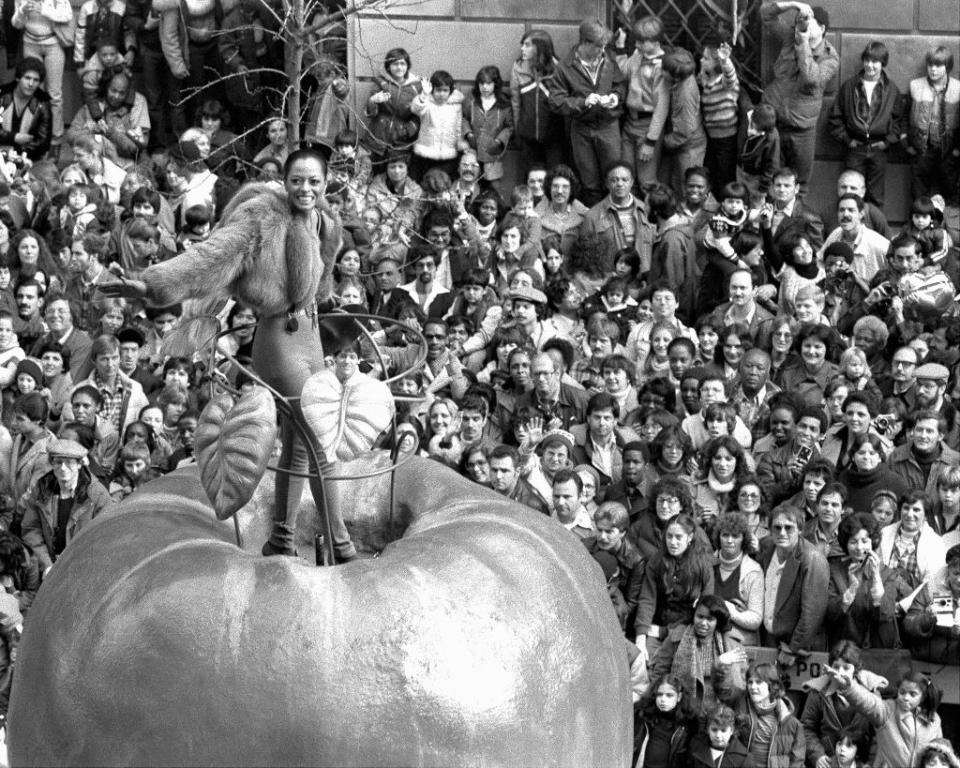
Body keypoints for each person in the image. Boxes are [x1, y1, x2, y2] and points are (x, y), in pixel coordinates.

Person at [101, 148, 357, 563]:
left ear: (326, 182)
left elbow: (323, 278)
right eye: (296, 181)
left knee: (295, 446)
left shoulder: (324, 219)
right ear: (284, 181)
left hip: (310, 339)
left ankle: (282, 539)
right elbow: (211, 256)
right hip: (279, 340)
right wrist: (152, 285)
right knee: (321, 444)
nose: (305, 189)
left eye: (314, 181)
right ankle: (342, 546)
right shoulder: (263, 218)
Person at [760, 3, 839, 193]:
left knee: (799, 184)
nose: (800, 28)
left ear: (821, 28)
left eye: (807, 24)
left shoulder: (830, 58)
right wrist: (794, 4)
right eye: (798, 24)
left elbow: (811, 78)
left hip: (801, 130)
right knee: (771, 180)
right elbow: (765, 15)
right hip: (774, 124)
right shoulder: (791, 38)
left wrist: (803, 44)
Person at [548, 18, 626, 206]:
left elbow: (619, 84)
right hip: (581, 127)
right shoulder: (565, 67)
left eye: (604, 46)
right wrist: (583, 102)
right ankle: (594, 221)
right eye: (598, 47)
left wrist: (614, 98)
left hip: (608, 125)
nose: (602, 51)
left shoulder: (608, 59)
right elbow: (555, 101)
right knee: (588, 179)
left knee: (614, 175)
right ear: (585, 43)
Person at [20, 437, 113, 574]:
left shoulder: (96, 493)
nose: (63, 468)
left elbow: (105, 536)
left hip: (83, 568)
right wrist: (46, 565)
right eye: (58, 462)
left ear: (79, 464)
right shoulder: (42, 489)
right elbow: (31, 529)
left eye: (69, 463)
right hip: (48, 567)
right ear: (52, 463)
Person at [827, 41, 902, 207]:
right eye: (867, 60)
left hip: (879, 148)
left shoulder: (891, 89)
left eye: (875, 62)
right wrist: (847, 140)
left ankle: (873, 230)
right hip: (855, 147)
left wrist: (887, 141)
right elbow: (835, 118)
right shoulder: (849, 86)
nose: (870, 66)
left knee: (876, 196)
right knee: (851, 194)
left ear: (883, 63)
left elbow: (898, 120)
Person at [757, 504, 830, 662]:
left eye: (789, 528)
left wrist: (793, 648)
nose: (782, 533)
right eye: (777, 527)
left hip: (799, 647)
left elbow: (813, 613)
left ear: (800, 529)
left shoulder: (812, 559)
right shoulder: (766, 548)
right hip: (769, 638)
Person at [837, 670, 943, 768]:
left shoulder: (934, 720)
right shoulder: (887, 710)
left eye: (912, 694)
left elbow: (940, 752)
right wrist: (848, 686)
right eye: (902, 692)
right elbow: (867, 702)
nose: (906, 697)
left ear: (923, 697)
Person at [901, 46, 960, 200]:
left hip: (948, 152)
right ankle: (919, 224)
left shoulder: (958, 88)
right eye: (930, 65)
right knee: (918, 197)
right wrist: (906, 145)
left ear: (947, 66)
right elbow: (904, 117)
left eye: (938, 65)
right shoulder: (915, 85)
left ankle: (948, 225)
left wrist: (957, 151)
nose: (933, 69)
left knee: (950, 196)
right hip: (922, 151)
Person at [509, 30, 562, 174]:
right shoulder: (518, 67)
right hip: (527, 135)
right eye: (522, 45)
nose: (522, 49)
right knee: (529, 177)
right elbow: (515, 102)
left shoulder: (558, 69)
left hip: (553, 136)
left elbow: (563, 103)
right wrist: (517, 130)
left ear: (540, 47)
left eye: (527, 45)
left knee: (554, 176)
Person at [712, 512, 765, 646]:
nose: (729, 541)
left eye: (735, 536)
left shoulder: (753, 571)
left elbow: (755, 619)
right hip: (708, 634)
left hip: (741, 641)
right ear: (718, 538)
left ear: (744, 539)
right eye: (725, 535)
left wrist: (728, 609)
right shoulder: (708, 565)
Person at [632, 673, 696, 768]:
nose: (663, 699)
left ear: (679, 697)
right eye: (659, 694)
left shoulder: (687, 723)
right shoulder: (643, 715)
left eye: (669, 695)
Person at [0, 57, 52, 161]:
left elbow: (43, 142)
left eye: (36, 80)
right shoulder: (2, 96)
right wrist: (14, 137)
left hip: (28, 158)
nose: (31, 84)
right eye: (27, 78)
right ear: (18, 78)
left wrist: (17, 154)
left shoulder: (43, 103)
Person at [488, 444, 549, 514]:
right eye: (494, 470)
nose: (498, 476)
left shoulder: (534, 505)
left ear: (517, 471)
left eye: (504, 471)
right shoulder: (485, 489)